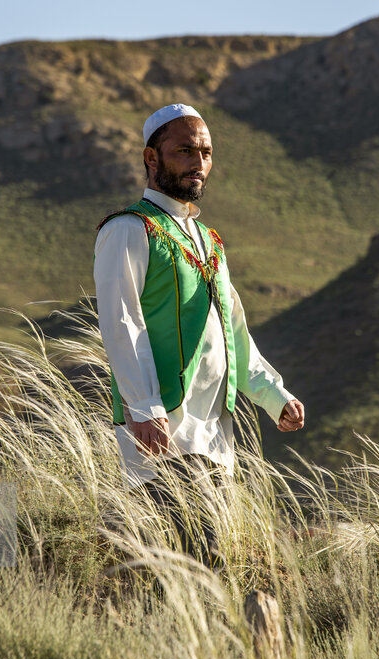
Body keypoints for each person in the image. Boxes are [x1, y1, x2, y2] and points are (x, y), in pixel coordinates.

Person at [93, 103, 305, 569]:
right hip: (164, 432)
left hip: (215, 438)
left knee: (211, 565)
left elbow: (232, 330)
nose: (198, 162)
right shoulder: (129, 229)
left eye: (206, 152)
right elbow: (122, 324)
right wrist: (144, 408)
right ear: (152, 158)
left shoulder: (208, 240)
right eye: (185, 150)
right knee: (187, 563)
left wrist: (274, 396)